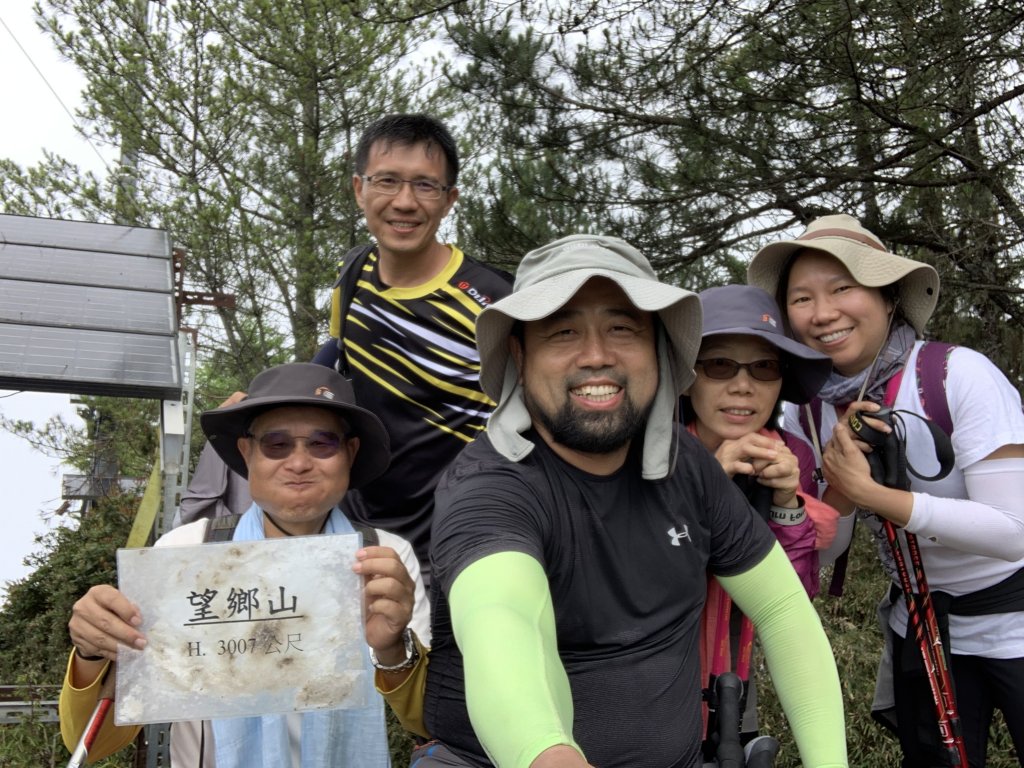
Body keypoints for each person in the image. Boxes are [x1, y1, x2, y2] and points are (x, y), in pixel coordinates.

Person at [416, 234, 848, 767]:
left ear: (659, 349)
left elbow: (783, 610)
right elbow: (501, 620)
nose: (596, 355)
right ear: (518, 354)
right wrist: (546, 755)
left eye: (623, 328)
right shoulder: (490, 490)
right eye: (562, 330)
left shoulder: (685, 466)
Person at [178, 113, 512, 587]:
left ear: (449, 199)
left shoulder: (494, 303)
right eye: (387, 181)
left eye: (425, 186)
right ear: (359, 189)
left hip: (455, 537)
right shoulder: (357, 269)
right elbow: (335, 357)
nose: (404, 202)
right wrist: (264, 403)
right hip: (354, 528)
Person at [747, 214, 1024, 767]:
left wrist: (874, 496)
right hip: (919, 627)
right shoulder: (805, 411)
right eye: (801, 298)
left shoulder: (956, 376)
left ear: (890, 297)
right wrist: (843, 496)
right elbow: (822, 549)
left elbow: (1014, 534)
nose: (823, 313)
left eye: (843, 288)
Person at [60, 363, 431, 767]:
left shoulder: (385, 558)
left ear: (350, 453)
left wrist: (393, 648)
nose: (299, 462)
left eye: (322, 443)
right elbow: (91, 743)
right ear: (246, 452)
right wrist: (91, 653)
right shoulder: (186, 553)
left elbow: (426, 722)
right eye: (276, 444)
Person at [681, 284, 839, 747]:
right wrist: (706, 485)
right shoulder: (656, 451)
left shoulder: (792, 455)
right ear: (689, 377)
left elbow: (795, 594)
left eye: (764, 367)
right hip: (658, 673)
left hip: (735, 674)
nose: (743, 385)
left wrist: (788, 502)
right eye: (719, 365)